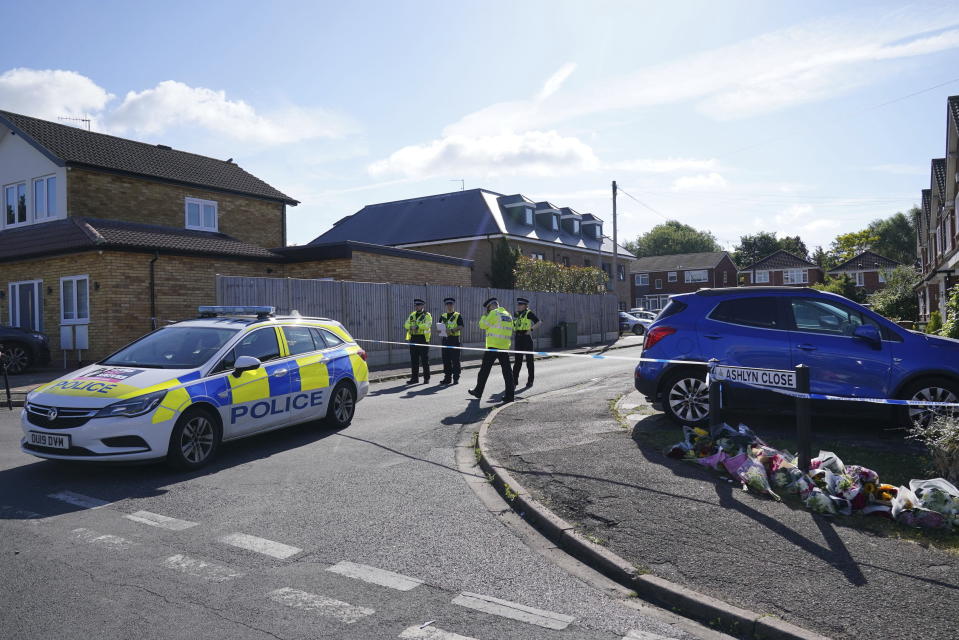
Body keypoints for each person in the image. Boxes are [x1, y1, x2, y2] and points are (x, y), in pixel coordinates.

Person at [468, 297, 515, 403]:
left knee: (484, 371)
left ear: (491, 306)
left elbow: (482, 325)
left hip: (493, 346)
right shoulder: (508, 315)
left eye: (487, 309)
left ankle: (478, 391)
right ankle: (510, 396)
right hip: (504, 347)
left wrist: (485, 316)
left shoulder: (494, 313)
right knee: (507, 373)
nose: (487, 311)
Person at [511, 296, 541, 388]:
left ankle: (530, 381)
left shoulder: (529, 313)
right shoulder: (516, 314)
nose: (518, 306)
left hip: (526, 338)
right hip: (518, 338)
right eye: (518, 304)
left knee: (529, 361)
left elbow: (539, 322)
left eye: (521, 304)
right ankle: (514, 381)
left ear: (525, 306)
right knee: (517, 361)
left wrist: (531, 330)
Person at [404, 298, 432, 384]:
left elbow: (428, 324)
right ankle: (414, 379)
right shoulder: (412, 314)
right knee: (414, 360)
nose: (417, 307)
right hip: (413, 338)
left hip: (423, 338)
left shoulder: (427, 315)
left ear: (422, 306)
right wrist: (411, 327)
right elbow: (406, 324)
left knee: (424, 360)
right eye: (416, 305)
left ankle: (426, 378)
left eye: (419, 305)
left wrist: (417, 327)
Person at [439, 297, 464, 385]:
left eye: (451, 304)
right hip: (445, 339)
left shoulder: (457, 315)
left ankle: (456, 378)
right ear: (446, 305)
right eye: (448, 304)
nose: (449, 306)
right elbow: (439, 327)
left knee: (455, 360)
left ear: (453, 305)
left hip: (454, 339)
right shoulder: (443, 316)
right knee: (446, 360)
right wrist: (441, 330)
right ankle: (447, 378)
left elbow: (461, 326)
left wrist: (452, 330)